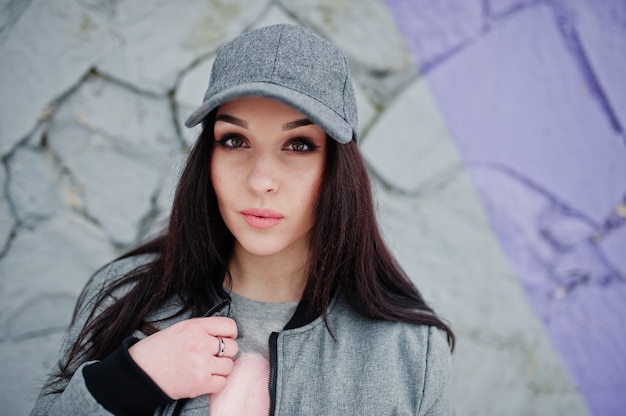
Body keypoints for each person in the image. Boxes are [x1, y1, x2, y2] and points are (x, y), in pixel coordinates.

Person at [31, 24, 455, 416]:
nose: (261, 180)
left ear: (337, 170)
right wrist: (126, 382)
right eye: (235, 140)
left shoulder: (409, 352)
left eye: (299, 145)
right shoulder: (122, 298)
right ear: (207, 158)